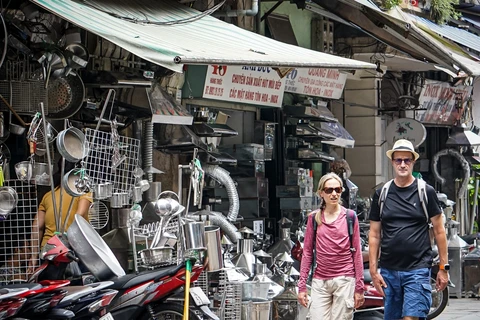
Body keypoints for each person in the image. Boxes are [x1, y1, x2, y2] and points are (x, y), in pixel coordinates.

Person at [368, 139, 448, 320]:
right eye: (398, 160)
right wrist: (374, 270)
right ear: (392, 162)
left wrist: (443, 267)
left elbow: (439, 230)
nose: (402, 164)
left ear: (413, 162)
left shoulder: (425, 192)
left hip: (417, 269)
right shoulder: (382, 194)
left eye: (407, 160)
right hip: (389, 270)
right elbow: (374, 234)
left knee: (410, 318)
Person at [297, 172, 364, 319]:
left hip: (345, 279)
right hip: (320, 281)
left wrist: (359, 287)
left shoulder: (350, 217)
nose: (334, 194)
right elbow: (307, 252)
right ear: (321, 193)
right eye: (329, 190)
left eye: (337, 190)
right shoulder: (314, 218)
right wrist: (302, 286)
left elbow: (357, 253)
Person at [28, 159, 92, 273]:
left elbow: (36, 227)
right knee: (80, 286)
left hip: (49, 250)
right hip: (74, 249)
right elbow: (79, 215)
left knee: (52, 288)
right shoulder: (82, 191)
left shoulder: (48, 196)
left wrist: (33, 258)